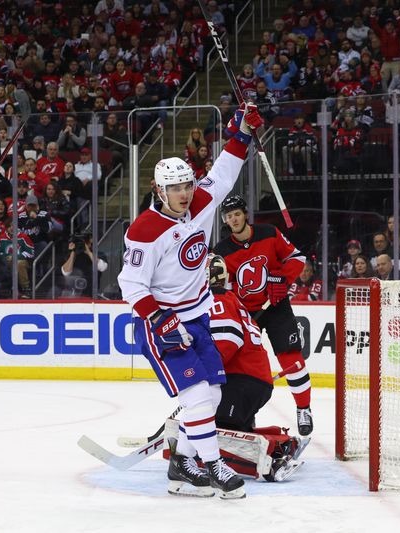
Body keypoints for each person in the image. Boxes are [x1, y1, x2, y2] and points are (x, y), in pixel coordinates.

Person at [117, 104, 264, 499]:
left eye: (187, 186)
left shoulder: (198, 202)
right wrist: (161, 319)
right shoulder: (144, 230)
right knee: (198, 396)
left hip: (197, 319)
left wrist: (243, 132)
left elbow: (224, 174)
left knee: (213, 395)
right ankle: (213, 465)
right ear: (158, 189)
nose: (184, 195)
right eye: (176, 189)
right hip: (161, 325)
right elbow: (130, 285)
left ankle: (181, 464)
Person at [215, 195, 312, 437]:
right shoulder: (221, 250)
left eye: (237, 213)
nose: (233, 219)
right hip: (247, 315)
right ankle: (245, 417)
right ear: (225, 221)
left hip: (276, 306)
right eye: (229, 216)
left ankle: (303, 408)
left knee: (291, 358)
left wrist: (283, 279)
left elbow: (298, 259)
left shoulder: (269, 233)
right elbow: (222, 287)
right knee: (242, 369)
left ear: (245, 214)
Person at [206, 254, 306, 481]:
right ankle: (282, 442)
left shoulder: (217, 300)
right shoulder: (229, 298)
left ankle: (273, 460)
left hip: (240, 383)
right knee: (232, 432)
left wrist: (205, 373)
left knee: (215, 437)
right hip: (250, 382)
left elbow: (228, 341)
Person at [60, 233, 108, 297]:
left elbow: (102, 267)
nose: (82, 244)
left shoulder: (98, 254)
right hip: (74, 294)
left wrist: (88, 251)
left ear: (91, 241)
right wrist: (73, 252)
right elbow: (66, 272)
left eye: (84, 241)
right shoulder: (72, 256)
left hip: (92, 293)